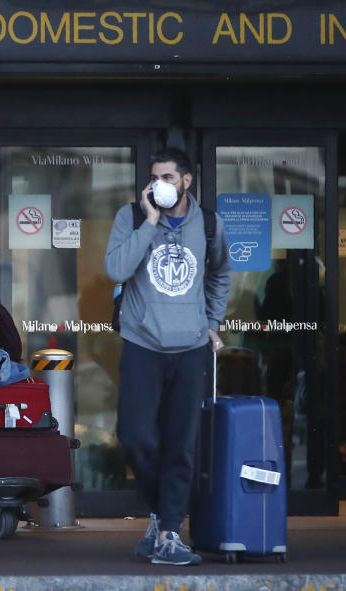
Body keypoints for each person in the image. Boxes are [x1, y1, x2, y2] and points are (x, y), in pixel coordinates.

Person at [104, 148, 231, 566]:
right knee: (136, 436)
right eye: (155, 177)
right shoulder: (133, 218)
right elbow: (117, 270)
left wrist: (212, 321)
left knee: (181, 444)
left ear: (187, 181)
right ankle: (163, 516)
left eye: (169, 177)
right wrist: (151, 222)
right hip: (143, 345)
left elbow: (219, 274)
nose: (161, 184)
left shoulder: (210, 224)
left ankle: (171, 534)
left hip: (191, 347)